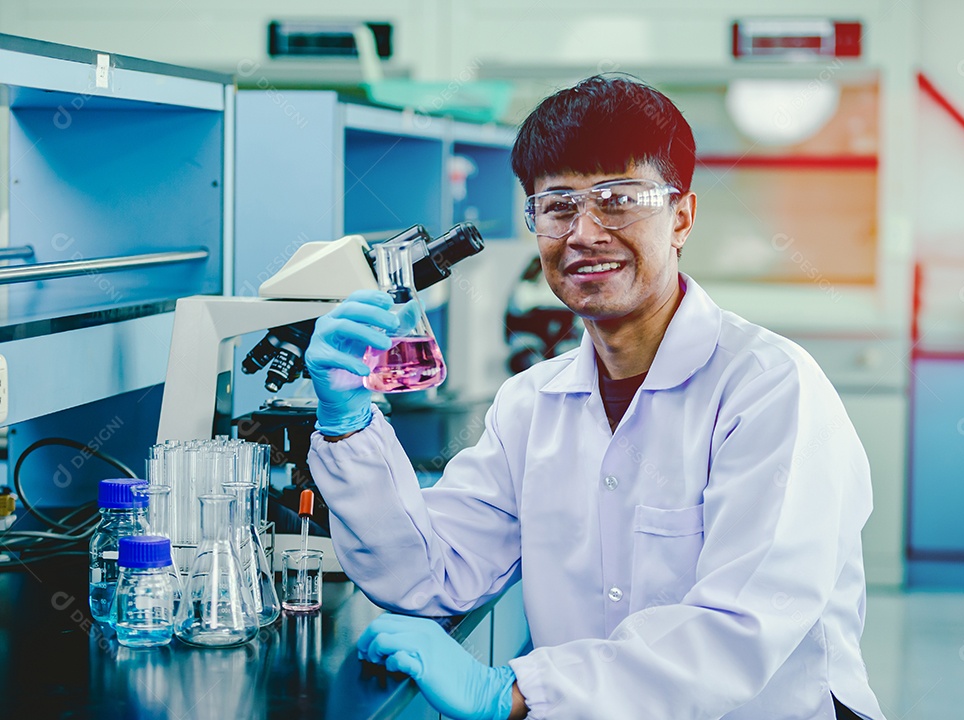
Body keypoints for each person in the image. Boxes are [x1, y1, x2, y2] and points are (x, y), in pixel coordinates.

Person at [305, 75, 885, 720]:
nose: (584, 232)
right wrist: (347, 424)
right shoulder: (531, 404)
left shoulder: (771, 389)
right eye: (557, 206)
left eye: (619, 200)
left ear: (682, 217)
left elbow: (741, 627)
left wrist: (516, 693)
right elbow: (433, 577)